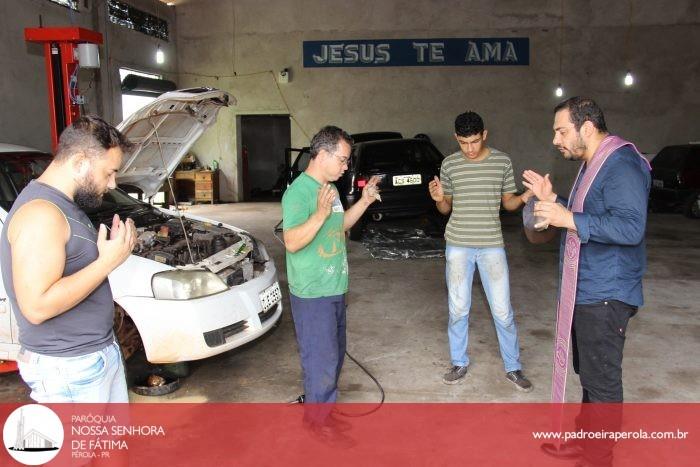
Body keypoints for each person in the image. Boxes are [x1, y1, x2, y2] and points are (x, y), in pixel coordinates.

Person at [523, 97, 651, 466]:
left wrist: (567, 218)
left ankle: (599, 458)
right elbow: (585, 214)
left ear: (587, 127)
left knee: (603, 380)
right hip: (588, 288)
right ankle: (586, 442)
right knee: (590, 374)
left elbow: (630, 227)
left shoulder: (621, 164)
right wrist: (555, 202)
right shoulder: (593, 164)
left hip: (606, 293)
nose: (555, 140)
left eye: (561, 131)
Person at [0, 116, 137, 403]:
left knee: (110, 448)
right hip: (69, 368)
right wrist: (106, 263)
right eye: (109, 173)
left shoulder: (64, 205)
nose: (112, 184)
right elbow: (36, 307)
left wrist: (104, 253)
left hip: (88, 358)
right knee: (82, 450)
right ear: (81, 162)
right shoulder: (41, 214)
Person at [281, 126, 380, 443]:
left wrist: (364, 202)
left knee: (333, 356)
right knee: (320, 359)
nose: (346, 166)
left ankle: (320, 407)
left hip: (335, 288)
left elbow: (341, 227)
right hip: (312, 293)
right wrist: (320, 214)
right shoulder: (298, 193)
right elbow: (292, 241)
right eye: (343, 159)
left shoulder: (332, 190)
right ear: (322, 155)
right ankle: (317, 423)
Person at [429, 111, 533, 391]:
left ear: (484, 135)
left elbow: (509, 204)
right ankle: (459, 362)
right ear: (456, 139)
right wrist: (439, 199)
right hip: (458, 244)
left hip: (491, 246)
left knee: (502, 311)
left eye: (474, 141)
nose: (470, 149)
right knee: (458, 309)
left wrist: (525, 196)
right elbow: (445, 208)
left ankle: (513, 367)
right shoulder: (449, 164)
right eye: (463, 142)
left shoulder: (502, 161)